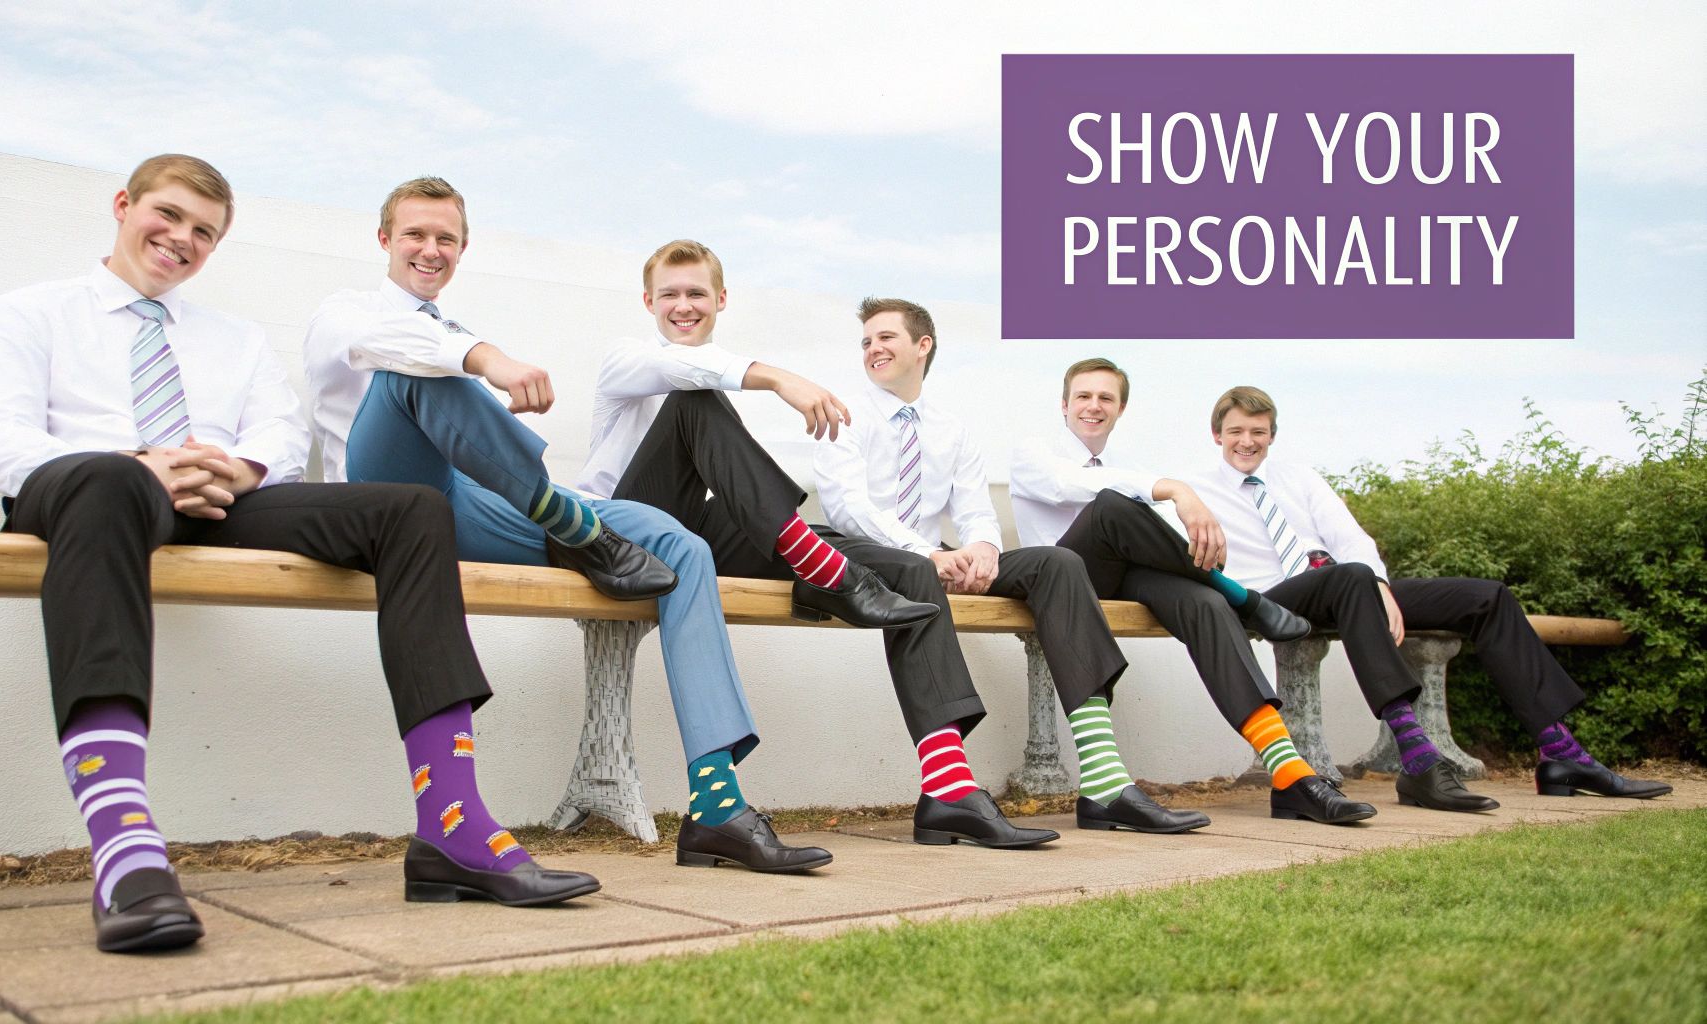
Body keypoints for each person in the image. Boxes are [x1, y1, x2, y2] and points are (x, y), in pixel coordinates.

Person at [0, 156, 600, 954]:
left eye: (204, 231)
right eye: (169, 216)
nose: (182, 239)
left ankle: (452, 826)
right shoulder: (32, 312)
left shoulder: (233, 338)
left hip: (218, 500)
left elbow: (280, 435)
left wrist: (241, 468)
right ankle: (125, 848)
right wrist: (137, 462)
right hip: (86, 498)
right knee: (106, 480)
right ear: (123, 206)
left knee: (408, 510)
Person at [304, 183, 829, 874]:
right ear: (385, 241)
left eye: (446, 239)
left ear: (462, 249)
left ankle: (717, 806)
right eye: (416, 235)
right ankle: (565, 517)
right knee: (420, 368)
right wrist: (490, 360)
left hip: (466, 501)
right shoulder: (347, 313)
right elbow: (404, 346)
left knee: (680, 544)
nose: (431, 250)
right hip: (380, 498)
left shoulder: (454, 329)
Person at [813, 298, 1212, 842]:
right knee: (916, 569)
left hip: (939, 556)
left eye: (886, 338)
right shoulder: (844, 414)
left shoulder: (951, 429)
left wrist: (981, 549)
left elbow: (976, 508)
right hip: (869, 555)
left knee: (1057, 563)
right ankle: (947, 789)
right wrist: (928, 553)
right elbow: (847, 508)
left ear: (922, 345)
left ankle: (1104, 782)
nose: (873, 349)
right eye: (866, 342)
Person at [1188, 386, 1673, 807]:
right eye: (1235, 431)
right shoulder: (1196, 491)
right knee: (1350, 576)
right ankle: (1418, 759)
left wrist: (1380, 586)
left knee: (1487, 597)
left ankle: (1562, 754)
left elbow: (1352, 540)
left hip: (1349, 587)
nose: (1246, 442)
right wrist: (1361, 580)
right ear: (1217, 435)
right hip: (1273, 597)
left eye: (1258, 431)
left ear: (1272, 435)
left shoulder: (1300, 478)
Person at [1008, 359, 1374, 825]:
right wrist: (1175, 490)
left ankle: (1290, 774)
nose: (1093, 406)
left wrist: (1182, 521)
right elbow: (1067, 485)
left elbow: (1153, 537)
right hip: (1062, 575)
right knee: (1110, 508)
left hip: (1122, 579)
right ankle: (1243, 596)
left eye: (1106, 398)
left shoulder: (1132, 465)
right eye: (1083, 396)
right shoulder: (1033, 450)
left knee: (1205, 604)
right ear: (1064, 405)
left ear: (1121, 408)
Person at [576, 239, 937, 632]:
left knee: (812, 535)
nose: (683, 306)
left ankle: (878, 569)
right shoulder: (625, 358)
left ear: (720, 299)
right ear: (649, 302)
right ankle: (831, 577)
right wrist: (780, 379)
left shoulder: (715, 369)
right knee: (695, 402)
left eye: (696, 293)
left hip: (684, 528)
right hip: (614, 537)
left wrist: (928, 553)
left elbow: (704, 369)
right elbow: (682, 368)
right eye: (669, 295)